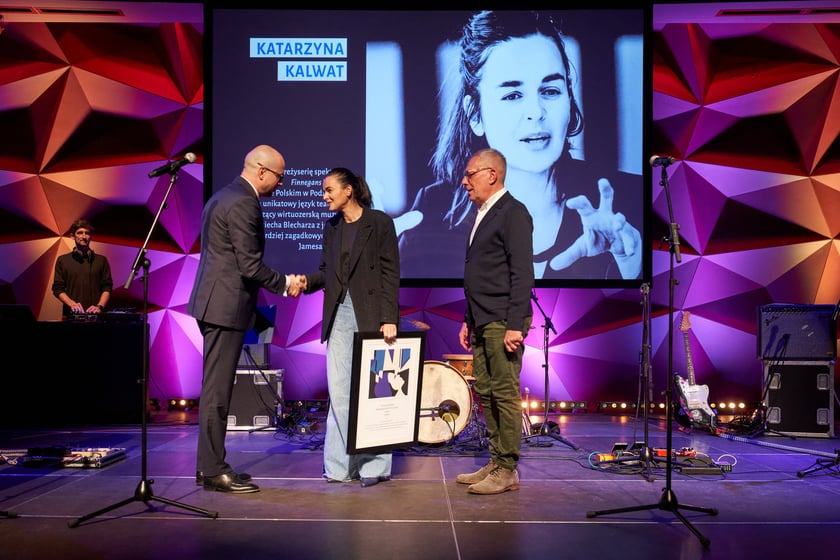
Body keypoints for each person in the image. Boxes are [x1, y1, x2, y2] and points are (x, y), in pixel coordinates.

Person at [398, 10, 641, 281]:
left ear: (569, 101)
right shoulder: (434, 215)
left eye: (550, 91)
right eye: (513, 95)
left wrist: (630, 267)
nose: (536, 112)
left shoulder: (629, 203)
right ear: (475, 114)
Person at [188, 144, 304, 494]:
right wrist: (286, 283)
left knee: (216, 390)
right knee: (217, 393)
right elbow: (249, 265)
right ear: (261, 171)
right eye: (280, 178)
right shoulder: (243, 202)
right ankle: (212, 470)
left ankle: (208, 465)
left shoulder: (223, 196)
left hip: (217, 305)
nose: (281, 186)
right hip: (223, 309)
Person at [297, 167, 400, 488]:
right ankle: (340, 466)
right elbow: (327, 274)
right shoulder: (332, 228)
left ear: (348, 191)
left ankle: (374, 465)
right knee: (340, 392)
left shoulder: (379, 222)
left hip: (372, 314)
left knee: (376, 392)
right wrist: (305, 282)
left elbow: (389, 273)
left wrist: (389, 318)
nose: (324, 196)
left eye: (329, 190)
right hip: (339, 314)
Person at [455, 148, 534, 495]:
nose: (464, 181)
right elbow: (480, 273)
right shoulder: (484, 213)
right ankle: (496, 459)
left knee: (503, 393)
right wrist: (467, 319)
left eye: (470, 174)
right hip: (483, 319)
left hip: (504, 319)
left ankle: (507, 467)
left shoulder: (512, 212)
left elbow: (522, 273)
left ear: (492, 174)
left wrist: (515, 323)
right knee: (486, 391)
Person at [52, 219, 113, 319]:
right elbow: (57, 289)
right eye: (80, 233)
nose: (83, 236)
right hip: (71, 316)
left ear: (91, 237)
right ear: (73, 236)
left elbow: (107, 287)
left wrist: (99, 306)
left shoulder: (101, 260)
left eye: (87, 233)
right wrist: (72, 304)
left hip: (96, 316)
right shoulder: (62, 260)